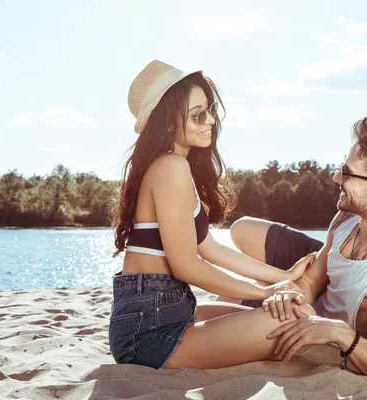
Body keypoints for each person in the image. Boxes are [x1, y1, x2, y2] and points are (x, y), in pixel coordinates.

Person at [108, 60, 316, 370]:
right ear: (166, 124)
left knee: (296, 314)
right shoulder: (170, 167)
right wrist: (262, 291)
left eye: (209, 110)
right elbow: (186, 266)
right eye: (197, 115)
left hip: (168, 311)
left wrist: (281, 277)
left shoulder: (178, 167)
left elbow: (210, 248)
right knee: (299, 318)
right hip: (149, 331)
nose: (210, 121)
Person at [230, 117, 367, 380]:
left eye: (347, 172)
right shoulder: (348, 218)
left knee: (214, 324)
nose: (335, 177)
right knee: (243, 233)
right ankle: (265, 291)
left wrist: (340, 333)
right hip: (313, 307)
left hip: (334, 328)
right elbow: (311, 280)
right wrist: (292, 296)